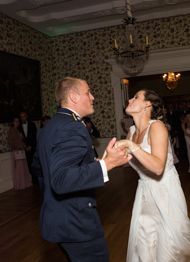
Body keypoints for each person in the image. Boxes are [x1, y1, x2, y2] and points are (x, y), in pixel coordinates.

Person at [32, 77, 131, 261]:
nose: (92, 96)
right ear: (73, 97)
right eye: (88, 92)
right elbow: (61, 179)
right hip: (75, 223)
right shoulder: (73, 127)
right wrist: (107, 163)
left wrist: (90, 163)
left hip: (57, 218)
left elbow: (39, 166)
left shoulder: (50, 126)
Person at [115, 89, 190, 262]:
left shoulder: (156, 127)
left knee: (171, 243)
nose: (130, 99)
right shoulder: (132, 132)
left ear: (147, 104)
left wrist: (130, 146)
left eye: (136, 97)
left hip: (165, 190)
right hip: (145, 192)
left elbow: (157, 168)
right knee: (145, 238)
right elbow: (124, 159)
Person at [7, 117, 32, 190]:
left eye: (18, 121)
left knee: (23, 168)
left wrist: (23, 145)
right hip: (17, 151)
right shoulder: (12, 130)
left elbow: (20, 140)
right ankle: (20, 184)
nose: (17, 122)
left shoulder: (18, 130)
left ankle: (24, 183)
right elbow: (10, 140)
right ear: (12, 122)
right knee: (19, 168)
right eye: (15, 121)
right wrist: (17, 146)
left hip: (21, 150)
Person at [19, 111, 38, 184]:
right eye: (21, 117)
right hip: (24, 149)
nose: (22, 118)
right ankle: (32, 179)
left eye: (23, 116)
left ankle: (36, 179)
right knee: (28, 165)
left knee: (34, 163)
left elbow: (34, 136)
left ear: (26, 116)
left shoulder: (32, 124)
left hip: (32, 148)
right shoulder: (19, 126)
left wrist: (31, 146)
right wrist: (25, 146)